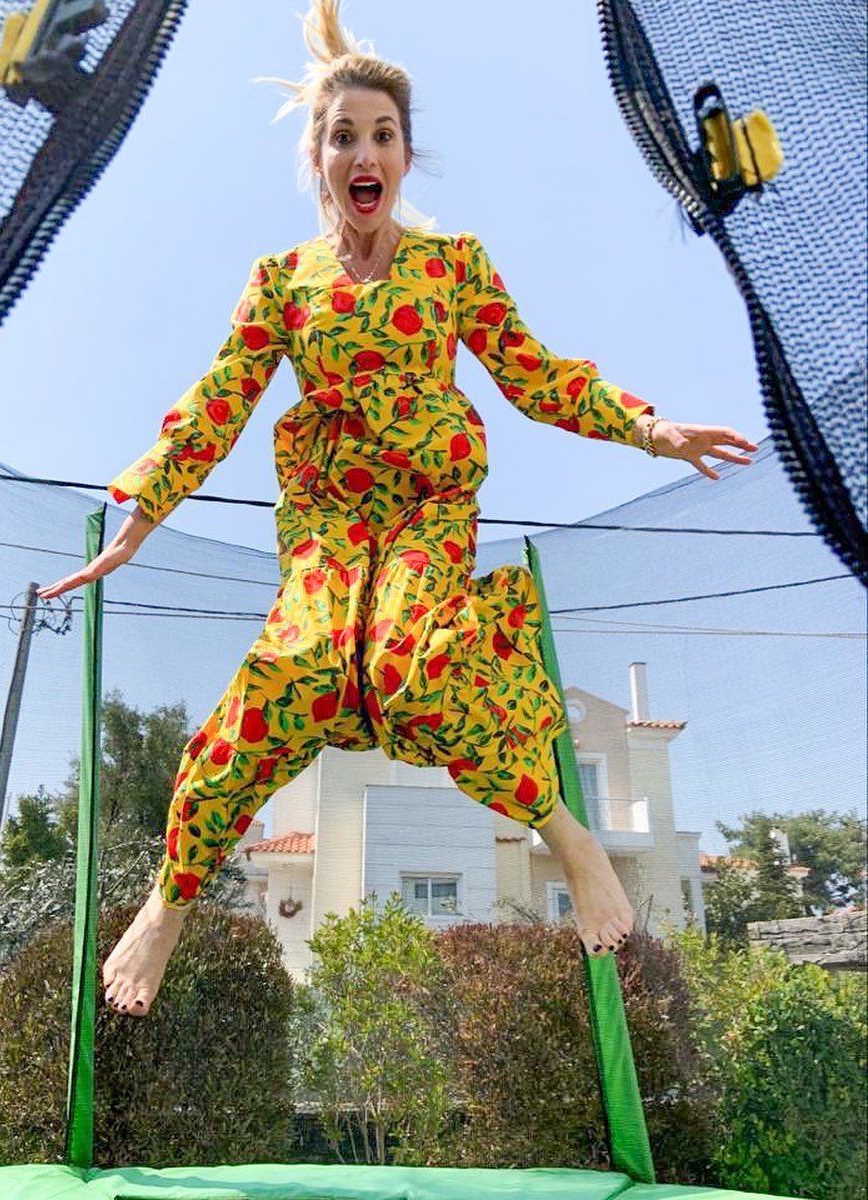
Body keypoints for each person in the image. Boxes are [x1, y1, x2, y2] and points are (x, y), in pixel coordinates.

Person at [39, 0, 757, 1017]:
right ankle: (168, 901)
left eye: (383, 135)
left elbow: (536, 375)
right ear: (319, 159)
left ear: (405, 158)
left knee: (415, 669)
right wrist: (141, 518)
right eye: (344, 137)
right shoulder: (281, 282)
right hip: (330, 523)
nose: (364, 153)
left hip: (426, 511)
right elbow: (216, 404)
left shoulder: (452, 264)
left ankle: (568, 834)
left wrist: (650, 428)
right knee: (287, 677)